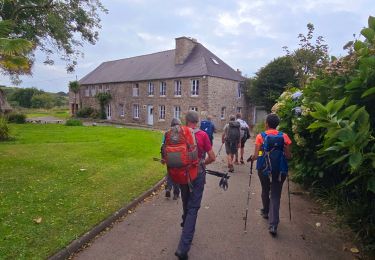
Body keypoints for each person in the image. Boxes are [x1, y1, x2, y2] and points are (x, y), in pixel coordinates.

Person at [175, 110, 216, 260]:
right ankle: (183, 248)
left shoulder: (178, 133)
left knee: (186, 202)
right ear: (197, 121)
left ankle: (185, 224)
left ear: (186, 121)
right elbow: (212, 157)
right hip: (197, 174)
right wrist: (201, 163)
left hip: (181, 174)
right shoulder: (202, 135)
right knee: (193, 208)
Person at [248, 113, 292, 236]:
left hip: (264, 168)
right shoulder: (284, 136)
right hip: (280, 169)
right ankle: (273, 225)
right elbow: (288, 156)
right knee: (276, 194)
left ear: (266, 123)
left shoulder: (260, 136)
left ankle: (266, 211)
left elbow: (256, 156)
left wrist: (252, 158)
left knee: (265, 189)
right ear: (277, 124)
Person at [163, 118, 181, 200]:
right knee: (177, 176)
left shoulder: (167, 133)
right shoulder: (182, 133)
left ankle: (168, 188)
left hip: (169, 157)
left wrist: (163, 157)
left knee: (170, 174)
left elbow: (163, 146)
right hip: (179, 158)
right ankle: (176, 194)